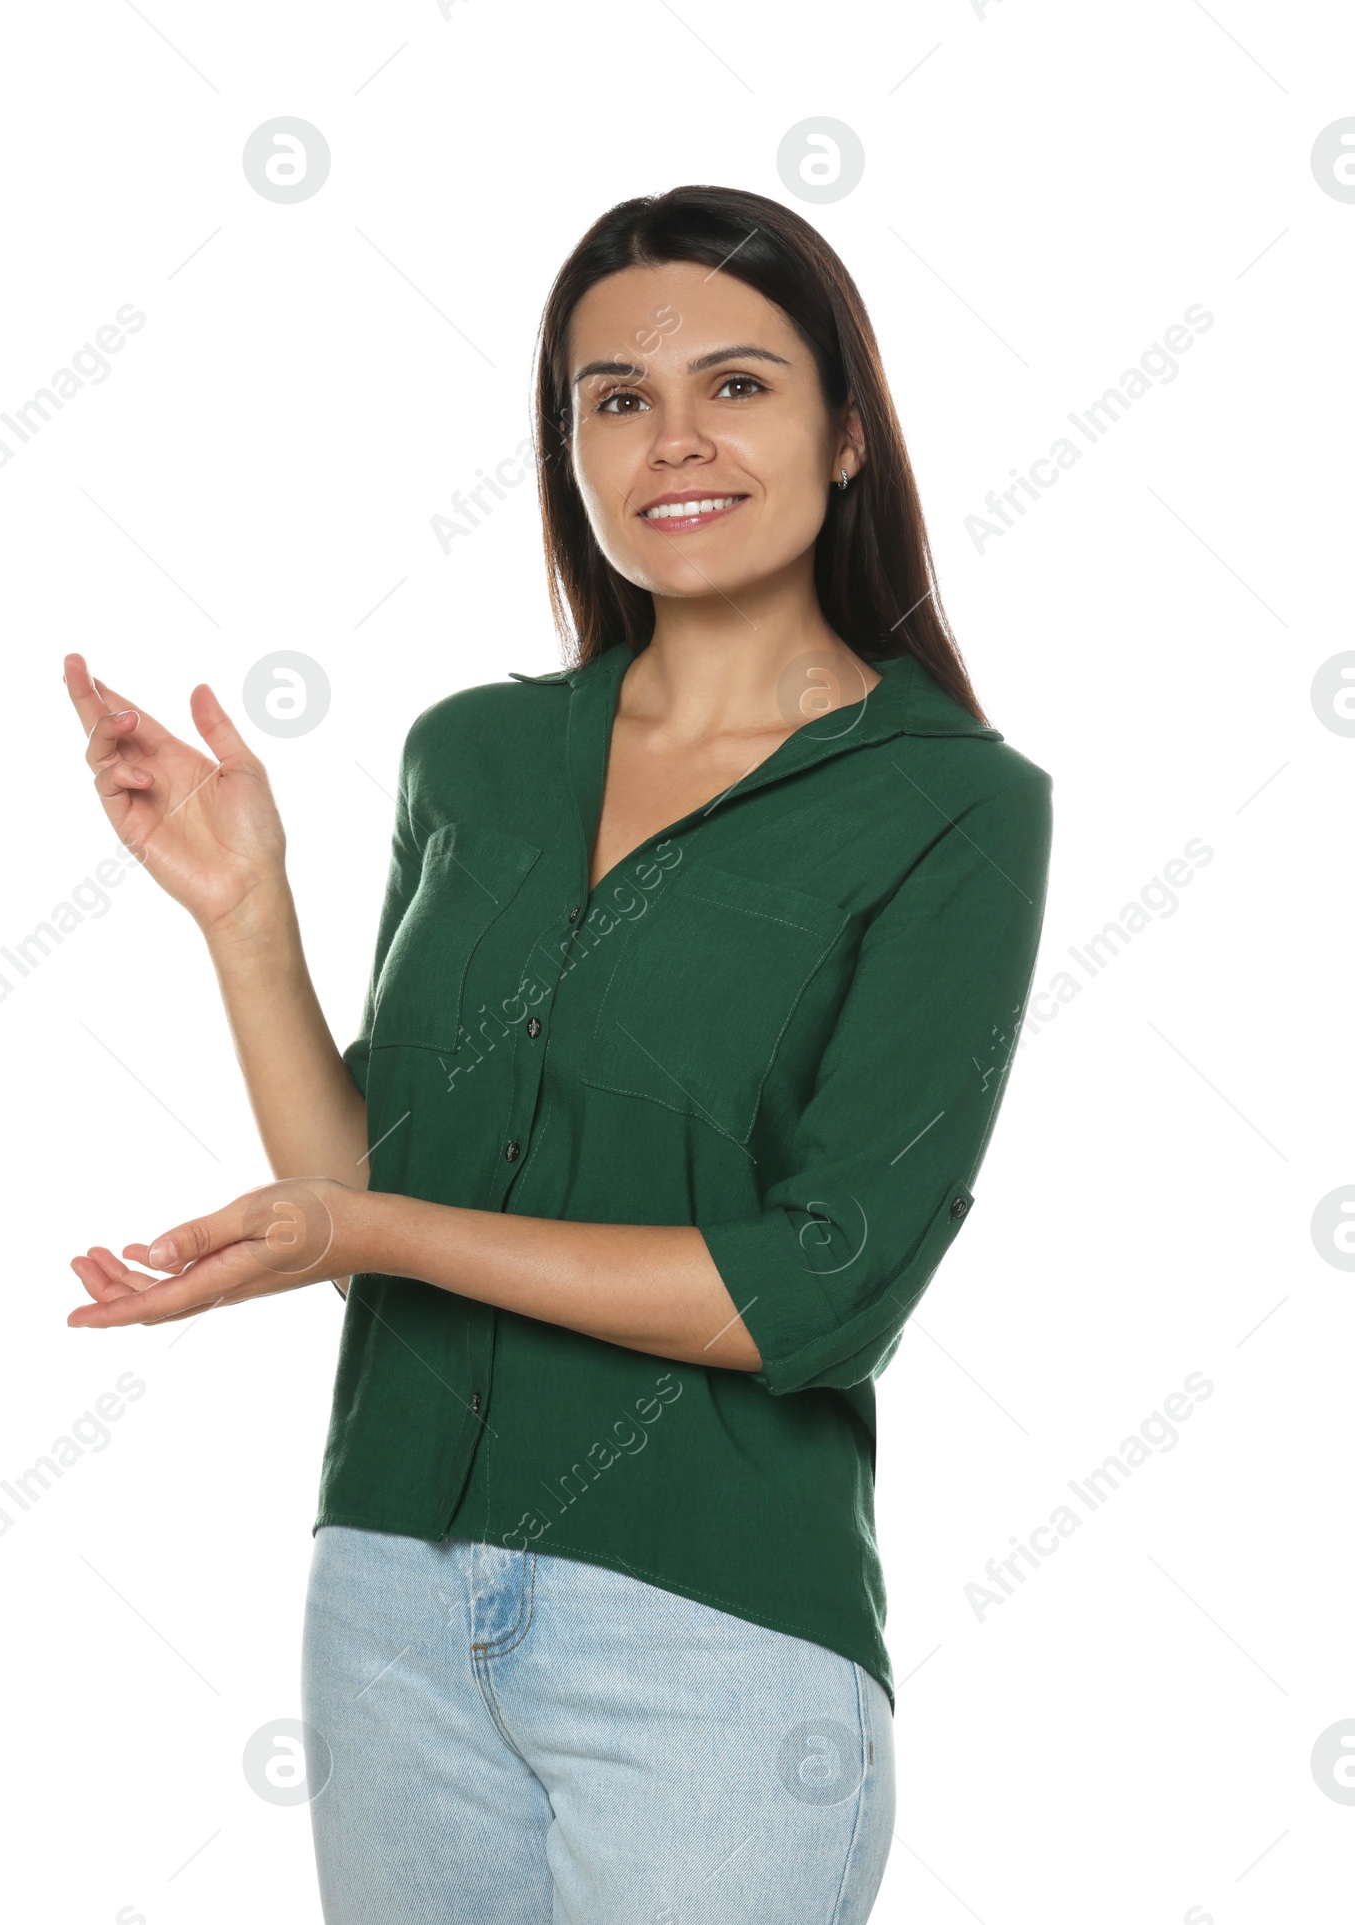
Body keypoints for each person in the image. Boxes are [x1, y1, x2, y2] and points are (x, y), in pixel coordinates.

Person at [61, 184, 1053, 1924]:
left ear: (845, 437)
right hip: (385, 1600)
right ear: (570, 447)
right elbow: (373, 1180)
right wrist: (245, 916)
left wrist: (367, 1240)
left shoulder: (958, 808)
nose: (673, 438)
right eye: (615, 398)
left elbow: (818, 1290)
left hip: (714, 1635)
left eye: (737, 386)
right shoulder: (477, 757)